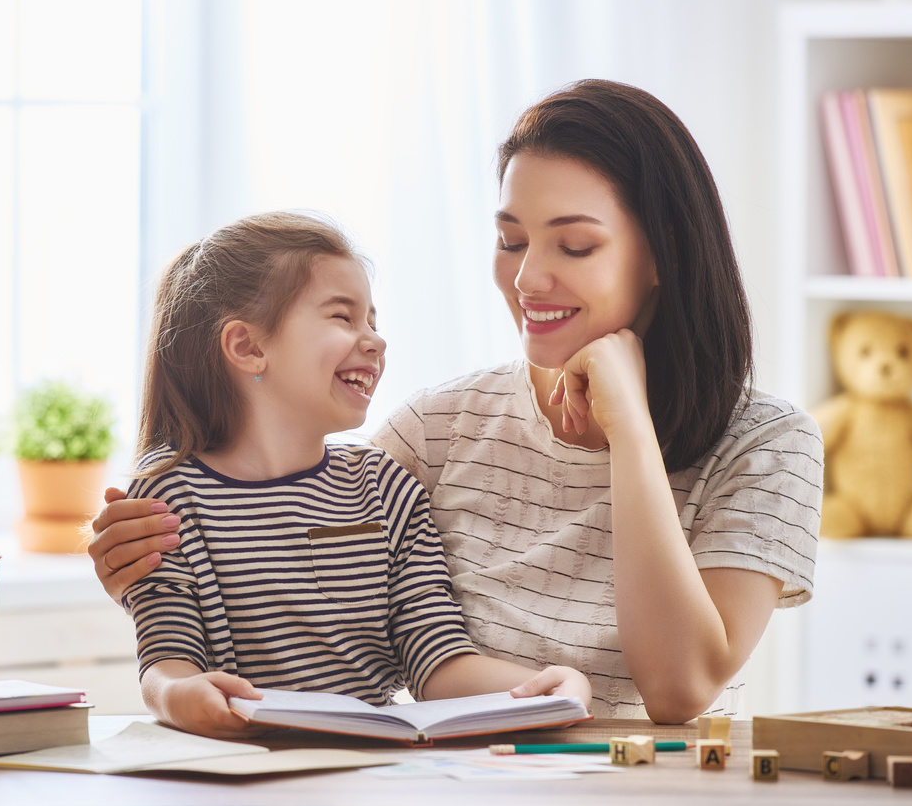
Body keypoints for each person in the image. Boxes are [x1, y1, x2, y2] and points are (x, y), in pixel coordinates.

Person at [90, 81, 823, 724]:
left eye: (573, 246)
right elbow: (282, 554)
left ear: (662, 251)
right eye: (510, 240)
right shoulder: (433, 433)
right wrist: (142, 569)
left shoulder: (766, 444)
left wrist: (628, 424)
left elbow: (678, 685)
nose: (528, 278)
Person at [118, 210, 590, 738]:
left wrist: (541, 687)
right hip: (239, 766)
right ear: (249, 347)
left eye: (373, 322)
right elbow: (166, 659)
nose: (374, 340)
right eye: (343, 318)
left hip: (371, 767)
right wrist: (182, 697)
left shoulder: (386, 488)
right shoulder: (168, 498)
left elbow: (436, 660)